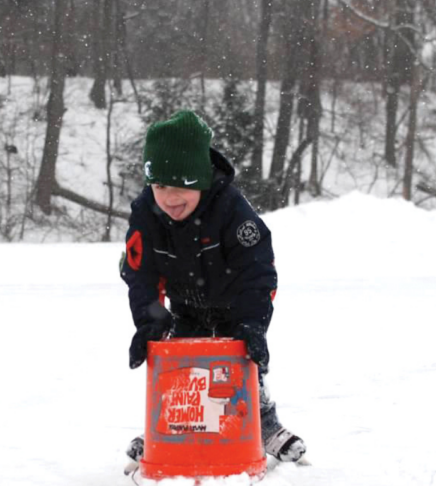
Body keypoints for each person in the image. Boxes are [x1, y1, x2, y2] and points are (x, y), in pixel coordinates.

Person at [119, 110, 305, 467]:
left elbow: (257, 272)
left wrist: (251, 323)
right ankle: (171, 430)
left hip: (235, 302)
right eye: (160, 187)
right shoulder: (146, 213)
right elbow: (140, 273)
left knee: (242, 365)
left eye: (180, 187)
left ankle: (262, 425)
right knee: (184, 369)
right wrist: (150, 322)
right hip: (186, 304)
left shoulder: (232, 211)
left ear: (202, 180)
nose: (170, 199)